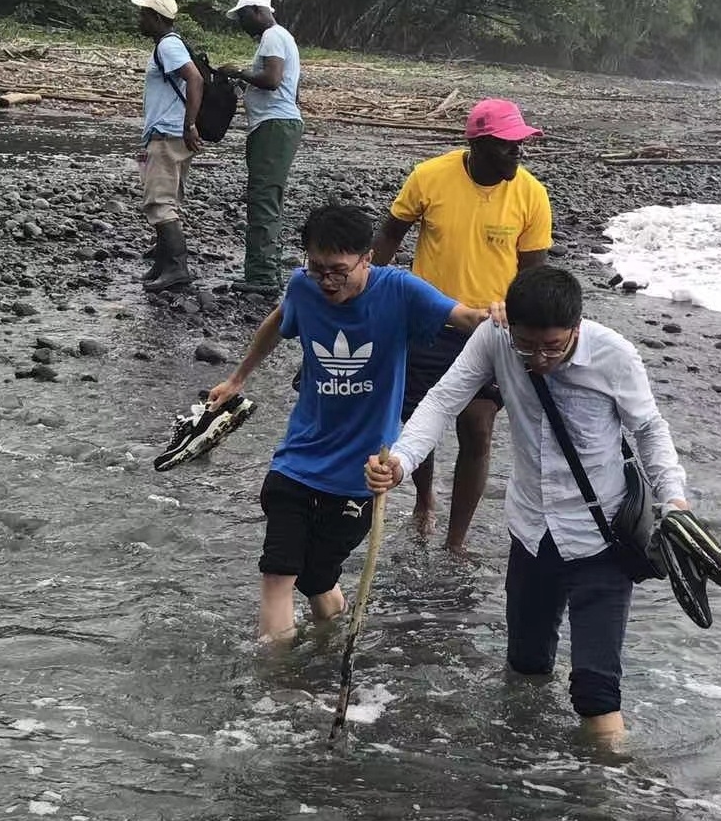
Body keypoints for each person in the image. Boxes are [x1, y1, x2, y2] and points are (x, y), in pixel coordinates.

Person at [366, 266, 689, 740]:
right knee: (526, 669)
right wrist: (402, 461)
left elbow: (649, 430)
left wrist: (674, 502)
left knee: (597, 694)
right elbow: (441, 402)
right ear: (510, 325)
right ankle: (524, 773)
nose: (539, 358)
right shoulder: (496, 338)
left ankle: (607, 801)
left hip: (602, 540)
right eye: (527, 346)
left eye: (554, 347)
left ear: (577, 327)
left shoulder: (614, 355)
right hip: (531, 534)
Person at [207, 205, 495, 643]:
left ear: (368, 258)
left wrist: (497, 314)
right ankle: (277, 687)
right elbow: (280, 319)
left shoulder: (399, 291)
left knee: (317, 581)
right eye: (317, 267)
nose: (327, 281)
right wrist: (237, 377)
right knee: (278, 572)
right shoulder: (303, 288)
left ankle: (332, 645)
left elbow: (464, 318)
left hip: (363, 473)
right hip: (298, 458)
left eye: (339, 270)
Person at [371, 98, 552, 554]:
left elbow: (534, 272)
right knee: (420, 423)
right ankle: (424, 499)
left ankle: (456, 540)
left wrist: (529, 333)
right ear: (480, 144)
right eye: (510, 147)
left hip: (491, 331)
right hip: (430, 320)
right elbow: (391, 231)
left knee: (477, 428)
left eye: (521, 146)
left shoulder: (530, 194)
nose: (518, 154)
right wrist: (368, 288)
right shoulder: (430, 176)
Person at [218, 0, 303, 295]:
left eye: (242, 17)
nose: (241, 24)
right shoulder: (283, 37)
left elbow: (272, 79)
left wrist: (238, 71)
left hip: (273, 126)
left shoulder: (272, 36)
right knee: (268, 197)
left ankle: (262, 276)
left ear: (257, 11)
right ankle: (268, 271)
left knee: (263, 198)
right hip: (278, 124)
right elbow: (292, 91)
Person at [132, 0, 203, 293]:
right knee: (167, 199)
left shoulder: (168, 46)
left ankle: (176, 268)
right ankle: (163, 264)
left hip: (166, 135)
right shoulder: (169, 45)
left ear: (156, 18)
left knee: (158, 202)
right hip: (170, 134)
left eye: (144, 14)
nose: (140, 19)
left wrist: (189, 125)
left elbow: (195, 79)